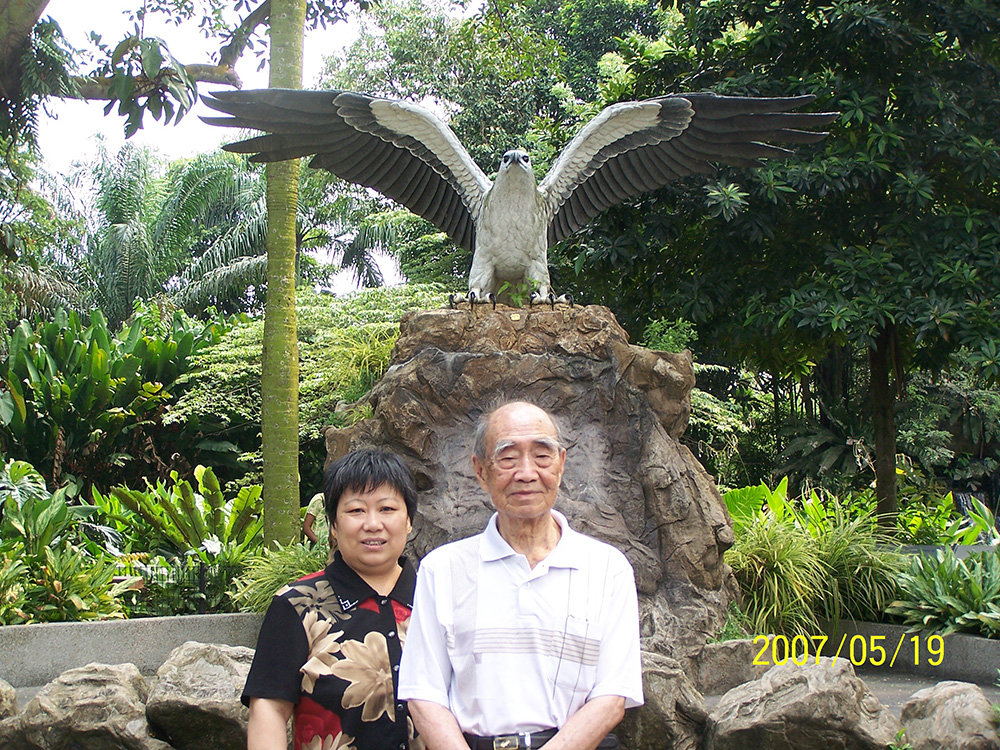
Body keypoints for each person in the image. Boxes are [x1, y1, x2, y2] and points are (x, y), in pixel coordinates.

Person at [398, 400, 643, 750]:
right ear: (481, 471)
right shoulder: (443, 569)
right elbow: (424, 694)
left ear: (561, 464)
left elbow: (612, 695)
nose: (526, 473)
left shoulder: (608, 568)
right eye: (508, 458)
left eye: (542, 456)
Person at [242, 449, 423, 750]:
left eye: (387, 509)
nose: (372, 524)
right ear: (334, 526)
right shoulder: (298, 605)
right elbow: (269, 710)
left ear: (408, 521)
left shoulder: (437, 599)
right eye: (356, 511)